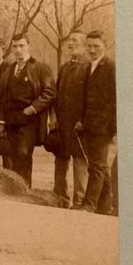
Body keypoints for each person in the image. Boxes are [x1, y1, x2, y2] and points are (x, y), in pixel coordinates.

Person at [0, 34, 56, 186]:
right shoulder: (8, 69)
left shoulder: (40, 68)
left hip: (29, 120)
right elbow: (1, 98)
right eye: (15, 46)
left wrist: (33, 108)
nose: (18, 50)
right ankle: (11, 190)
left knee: (23, 154)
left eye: (21, 46)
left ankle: (24, 190)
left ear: (29, 46)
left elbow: (50, 92)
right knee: (9, 155)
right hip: (10, 119)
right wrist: (1, 121)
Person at [77, 30, 117, 213]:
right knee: (100, 166)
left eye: (96, 46)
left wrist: (114, 129)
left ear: (105, 46)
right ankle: (105, 207)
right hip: (89, 125)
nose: (92, 50)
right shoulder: (88, 67)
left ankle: (89, 204)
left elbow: (116, 100)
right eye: (89, 46)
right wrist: (81, 120)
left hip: (103, 126)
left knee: (96, 166)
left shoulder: (111, 68)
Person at [52, 30, 90, 207]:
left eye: (75, 40)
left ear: (84, 45)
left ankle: (79, 201)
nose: (70, 43)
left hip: (79, 124)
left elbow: (90, 97)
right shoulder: (64, 67)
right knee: (60, 158)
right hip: (62, 122)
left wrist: (83, 120)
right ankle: (59, 197)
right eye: (69, 40)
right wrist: (54, 117)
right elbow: (57, 94)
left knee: (80, 160)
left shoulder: (88, 67)